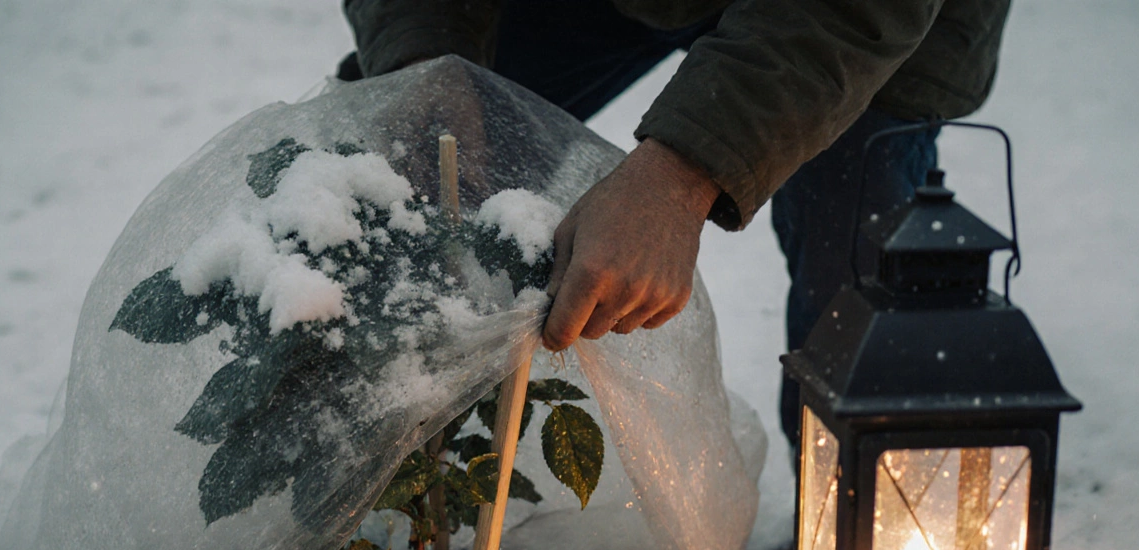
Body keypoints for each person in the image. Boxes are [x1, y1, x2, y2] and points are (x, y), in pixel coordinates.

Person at [337, 0, 1010, 448]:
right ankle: (338, 525)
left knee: (856, 284)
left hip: (847, 19)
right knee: (388, 182)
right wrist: (424, 58)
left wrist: (681, 177)